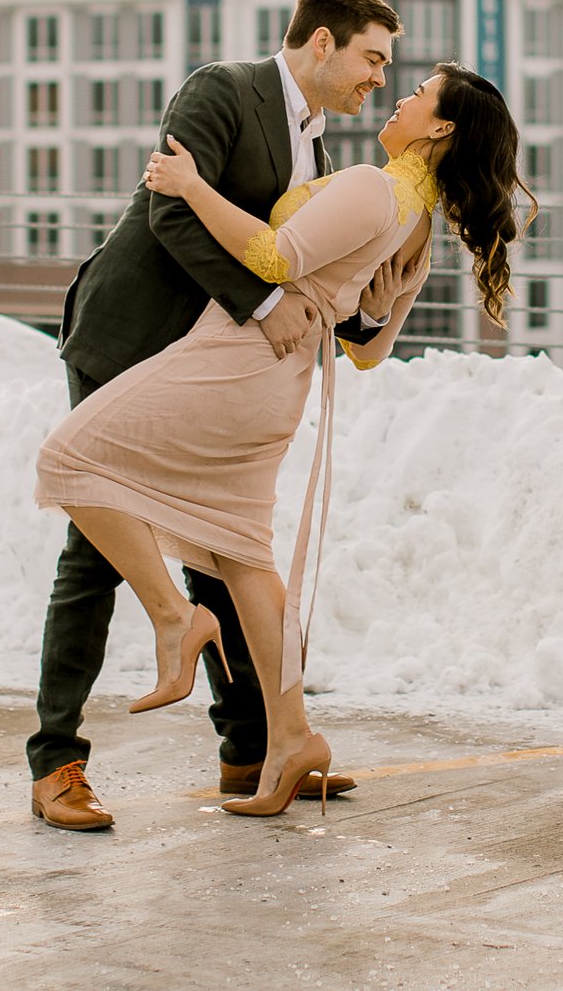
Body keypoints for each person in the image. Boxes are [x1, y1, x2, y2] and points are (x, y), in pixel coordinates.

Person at [34, 56, 528, 814]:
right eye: (383, 66)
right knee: (241, 551)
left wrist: (192, 186)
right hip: (285, 378)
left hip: (240, 358)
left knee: (69, 458)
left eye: (417, 92)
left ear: (441, 127)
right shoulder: (419, 224)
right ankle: (288, 737)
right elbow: (368, 347)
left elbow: (272, 258)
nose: (395, 93)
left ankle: (174, 617)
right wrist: (344, 305)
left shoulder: (370, 183)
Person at [24, 0, 402, 831]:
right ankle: (56, 764)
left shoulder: (324, 155)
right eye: (371, 58)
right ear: (321, 42)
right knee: (94, 551)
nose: (377, 77)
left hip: (205, 366)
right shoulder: (223, 90)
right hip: (130, 339)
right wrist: (266, 307)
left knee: (221, 549)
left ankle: (249, 747)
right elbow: (173, 213)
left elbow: (296, 258)